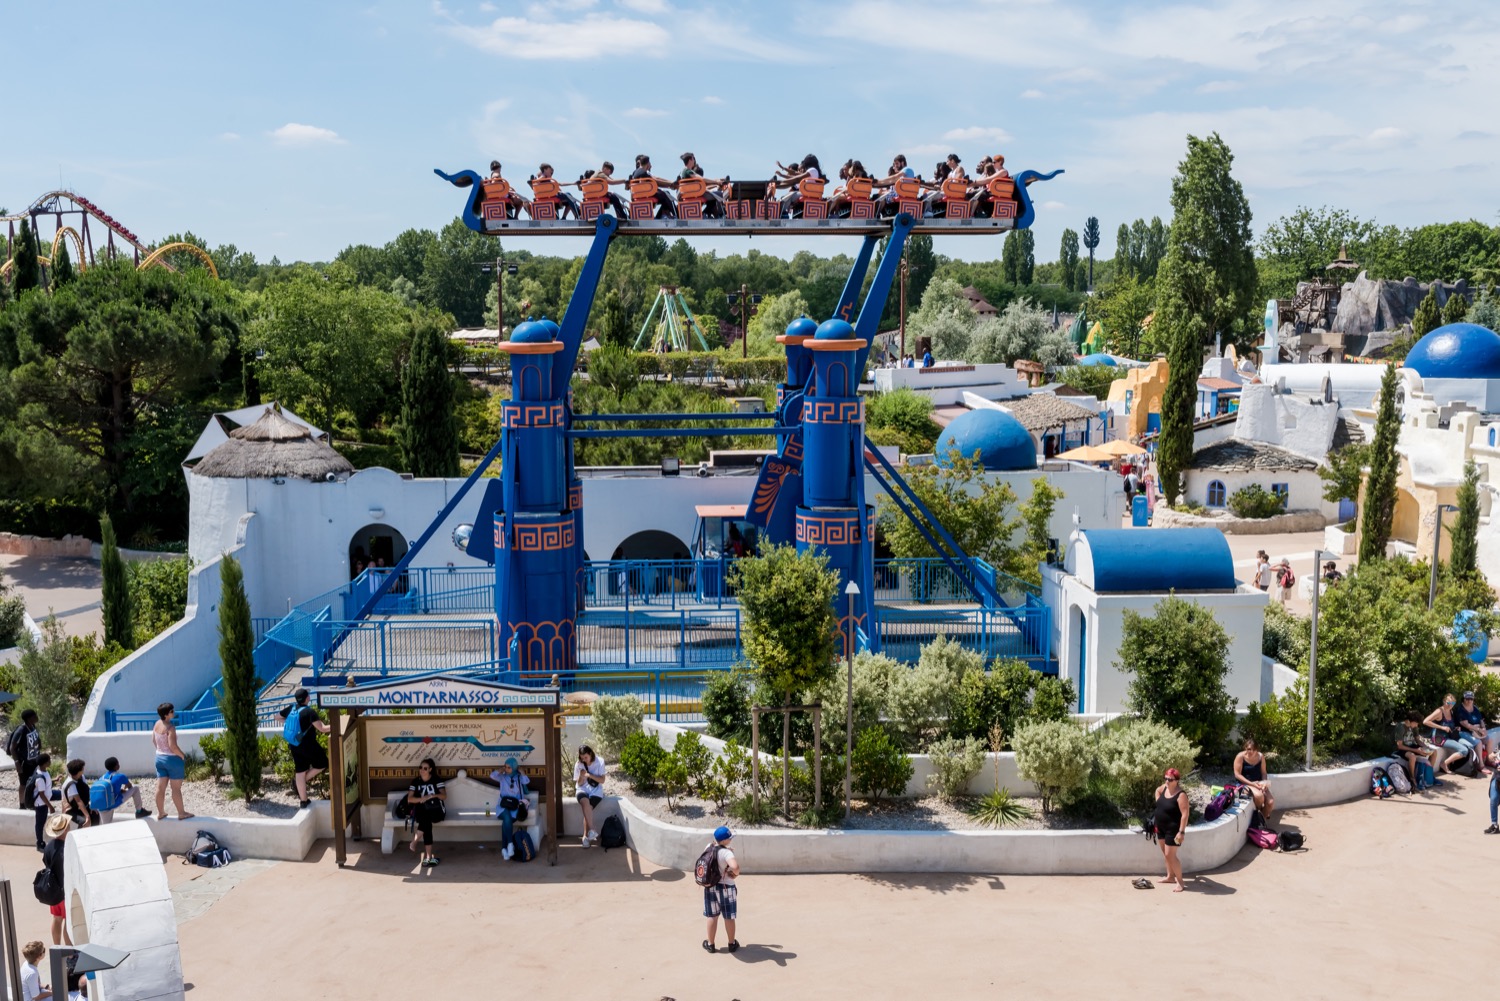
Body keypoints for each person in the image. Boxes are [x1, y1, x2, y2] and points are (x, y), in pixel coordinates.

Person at [279, 688, 331, 809]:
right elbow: (322, 728)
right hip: (309, 745)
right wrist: (338, 725)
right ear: (307, 698)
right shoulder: (309, 712)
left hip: (294, 745)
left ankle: (303, 801)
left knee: (300, 771)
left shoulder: (291, 709)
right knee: (322, 763)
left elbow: (277, 717)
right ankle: (299, 783)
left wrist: (289, 723)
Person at [151, 703, 193, 821]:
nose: (173, 712)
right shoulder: (170, 728)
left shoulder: (157, 724)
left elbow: (153, 740)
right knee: (175, 789)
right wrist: (183, 756)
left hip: (159, 758)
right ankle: (181, 813)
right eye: (171, 711)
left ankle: (161, 813)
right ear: (166, 714)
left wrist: (161, 751)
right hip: (172, 760)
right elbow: (173, 746)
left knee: (160, 787)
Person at [702, 825, 740, 953]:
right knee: (729, 917)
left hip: (710, 887)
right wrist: (735, 874)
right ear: (724, 841)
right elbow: (735, 866)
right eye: (729, 838)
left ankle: (711, 944)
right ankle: (731, 943)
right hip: (726, 887)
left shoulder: (709, 847)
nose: (730, 840)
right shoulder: (727, 853)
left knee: (712, 916)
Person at [1152, 768, 1190, 892]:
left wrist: (1182, 832)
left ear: (1177, 781)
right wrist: (1159, 801)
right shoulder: (1163, 788)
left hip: (1173, 830)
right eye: (1166, 778)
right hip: (1160, 826)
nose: (1167, 781)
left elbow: (1185, 814)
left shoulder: (1181, 795)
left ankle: (1180, 882)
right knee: (1166, 854)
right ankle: (1170, 877)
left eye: (1170, 779)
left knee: (1171, 855)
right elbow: (1157, 791)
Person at [405, 758, 446, 867]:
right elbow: (409, 799)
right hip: (422, 812)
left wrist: (432, 796)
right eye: (421, 768)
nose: (422, 770)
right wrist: (422, 799)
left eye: (425, 768)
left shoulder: (436, 780)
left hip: (437, 811)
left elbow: (444, 796)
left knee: (425, 820)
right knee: (426, 822)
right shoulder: (416, 781)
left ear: (430, 769)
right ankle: (428, 857)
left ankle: (415, 841)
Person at [489, 757, 530, 859]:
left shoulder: (519, 777)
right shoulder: (502, 777)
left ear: (514, 768)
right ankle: (510, 844)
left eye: (509, 767)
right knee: (506, 816)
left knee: (506, 823)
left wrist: (522, 772)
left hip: (515, 807)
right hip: (502, 806)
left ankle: (504, 849)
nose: (506, 769)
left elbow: (526, 782)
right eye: (505, 767)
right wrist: (500, 770)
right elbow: (492, 776)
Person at [91, 756, 150, 823]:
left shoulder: (102, 777)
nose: (119, 765)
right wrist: (124, 789)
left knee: (106, 826)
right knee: (135, 788)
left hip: (101, 806)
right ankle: (139, 812)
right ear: (116, 766)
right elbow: (130, 787)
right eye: (118, 763)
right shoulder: (120, 776)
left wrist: (119, 791)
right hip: (113, 803)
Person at [42, 813, 71, 945]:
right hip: (65, 892)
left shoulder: (48, 847)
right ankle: (70, 953)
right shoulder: (66, 848)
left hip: (53, 891)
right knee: (68, 921)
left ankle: (57, 948)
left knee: (57, 918)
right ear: (65, 829)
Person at [1424, 695, 1470, 774]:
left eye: (1452, 703)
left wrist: (1456, 728)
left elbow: (1450, 726)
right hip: (1439, 739)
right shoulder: (1439, 711)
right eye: (1448, 702)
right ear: (1444, 701)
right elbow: (1425, 721)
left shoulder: (1451, 711)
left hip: (1449, 737)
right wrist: (1441, 727)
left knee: (1469, 745)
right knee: (1464, 750)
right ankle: (1444, 763)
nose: (1450, 705)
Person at [1232, 738, 1275, 819]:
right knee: (1259, 796)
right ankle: (1260, 816)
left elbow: (1264, 773)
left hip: (1258, 783)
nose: (1251, 751)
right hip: (1245, 784)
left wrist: (1264, 783)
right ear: (1245, 748)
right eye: (1249, 749)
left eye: (1254, 749)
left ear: (1257, 749)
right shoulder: (1240, 757)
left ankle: (1262, 821)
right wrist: (1252, 784)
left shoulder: (1260, 756)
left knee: (1270, 802)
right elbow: (1237, 775)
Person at [677, 152, 727, 217]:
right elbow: (702, 179)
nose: (694, 161)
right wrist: (717, 182)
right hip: (697, 193)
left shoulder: (683, 171)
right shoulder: (687, 171)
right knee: (721, 194)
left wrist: (717, 180)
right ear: (690, 160)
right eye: (693, 159)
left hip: (693, 193)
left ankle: (707, 214)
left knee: (712, 200)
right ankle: (721, 215)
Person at [1396, 712, 1442, 784]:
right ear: (1409, 721)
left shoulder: (1414, 727)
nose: (1417, 725)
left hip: (1412, 746)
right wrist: (1416, 750)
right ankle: (1412, 778)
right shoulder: (1401, 727)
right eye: (1416, 723)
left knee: (1434, 752)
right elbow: (1400, 746)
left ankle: (1429, 774)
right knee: (1412, 757)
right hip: (1403, 748)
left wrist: (1426, 747)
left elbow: (1417, 740)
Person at [574, 745, 606, 847]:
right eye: (582, 758)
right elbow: (578, 784)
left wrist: (590, 775)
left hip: (596, 791)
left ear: (590, 754)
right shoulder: (578, 764)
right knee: (585, 803)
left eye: (585, 757)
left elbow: (602, 780)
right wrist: (581, 776)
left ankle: (585, 837)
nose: (584, 760)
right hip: (582, 789)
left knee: (588, 810)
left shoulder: (600, 761)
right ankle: (592, 830)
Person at [10, 708, 43, 806]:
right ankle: (22, 804)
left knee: (33, 782)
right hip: (24, 762)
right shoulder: (21, 730)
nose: (37, 717)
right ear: (29, 718)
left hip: (34, 761)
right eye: (34, 716)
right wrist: (17, 763)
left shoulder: (32, 726)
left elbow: (36, 738)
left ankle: (31, 802)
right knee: (23, 784)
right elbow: (13, 748)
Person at [1455, 691, 1490, 775]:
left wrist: (1483, 729)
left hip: (1476, 731)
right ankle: (1480, 765)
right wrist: (1479, 730)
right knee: (1478, 742)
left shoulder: (1475, 708)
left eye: (1471, 699)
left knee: (1488, 739)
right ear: (1463, 699)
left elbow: (1481, 720)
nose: (1469, 700)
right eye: (1467, 698)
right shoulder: (1460, 709)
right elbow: (1466, 725)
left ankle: (1488, 759)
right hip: (1464, 732)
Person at [28, 752, 54, 851]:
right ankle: (39, 843)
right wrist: (50, 806)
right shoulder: (40, 778)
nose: (50, 762)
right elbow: (42, 795)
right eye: (49, 760)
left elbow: (45, 785)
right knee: (40, 824)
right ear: (44, 763)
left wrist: (54, 780)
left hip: (46, 797)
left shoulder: (42, 771)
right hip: (41, 804)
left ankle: (40, 842)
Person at [60, 760, 94, 828]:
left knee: (95, 815)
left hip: (81, 807)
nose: (83, 770)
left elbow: (86, 791)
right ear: (78, 771)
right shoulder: (70, 784)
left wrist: (92, 806)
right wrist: (87, 816)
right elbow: (78, 801)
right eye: (82, 768)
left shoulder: (81, 777)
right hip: (71, 809)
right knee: (84, 821)